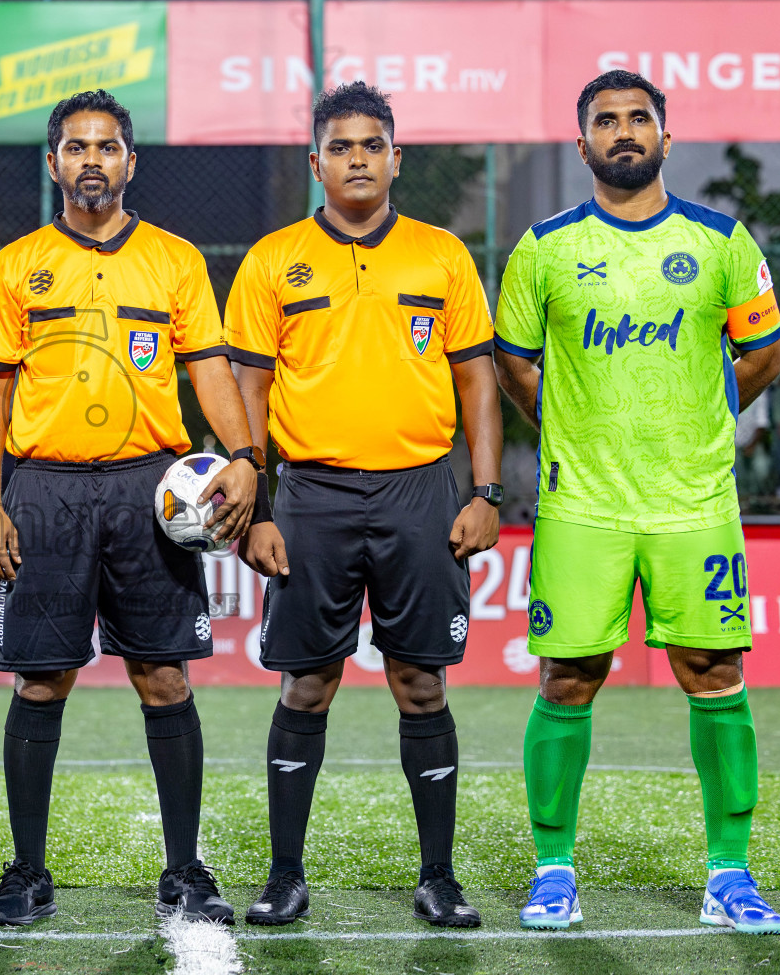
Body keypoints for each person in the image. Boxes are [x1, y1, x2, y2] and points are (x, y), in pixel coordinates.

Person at [495, 70, 780, 934]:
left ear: (667, 135)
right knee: (568, 678)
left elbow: (765, 352)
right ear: (581, 143)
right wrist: (563, 422)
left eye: (639, 120)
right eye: (605, 122)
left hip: (696, 501)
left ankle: (728, 875)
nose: (624, 133)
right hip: (582, 503)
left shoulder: (724, 241)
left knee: (717, 676)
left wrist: (704, 416)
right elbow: (515, 361)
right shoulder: (542, 248)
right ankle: (554, 872)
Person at [0, 89, 258, 927]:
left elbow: (209, 370)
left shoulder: (174, 260)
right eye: (75, 147)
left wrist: (244, 458)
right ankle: (27, 870)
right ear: (54, 163)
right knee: (41, 681)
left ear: (131, 163)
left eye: (107, 147)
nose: (91, 159)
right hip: (44, 489)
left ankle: (185, 869)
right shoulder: (17, 265)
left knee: (161, 675)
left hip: (151, 489)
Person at [225, 82, 501, 929]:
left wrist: (485, 491)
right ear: (316, 162)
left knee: (422, 683)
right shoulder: (273, 259)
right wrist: (257, 504)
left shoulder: (441, 255)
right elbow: (248, 388)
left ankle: (439, 877)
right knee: (308, 685)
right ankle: (284, 876)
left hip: (420, 490)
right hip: (311, 495)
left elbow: (476, 380)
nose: (357, 159)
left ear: (395, 157)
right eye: (340, 147)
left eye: (372, 145)